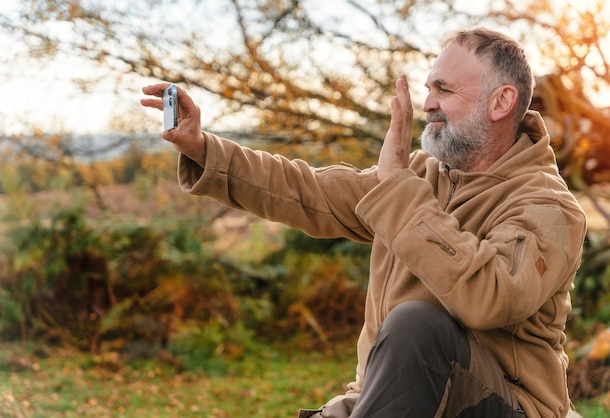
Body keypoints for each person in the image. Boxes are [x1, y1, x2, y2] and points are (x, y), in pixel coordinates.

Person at [141, 27, 586, 418]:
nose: (428, 104)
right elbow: (305, 191)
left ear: (501, 101)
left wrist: (396, 187)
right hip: (390, 395)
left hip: (509, 405)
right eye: (429, 88)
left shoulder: (546, 206)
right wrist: (203, 149)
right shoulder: (417, 176)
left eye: (444, 90)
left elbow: (491, 296)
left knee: (417, 323)